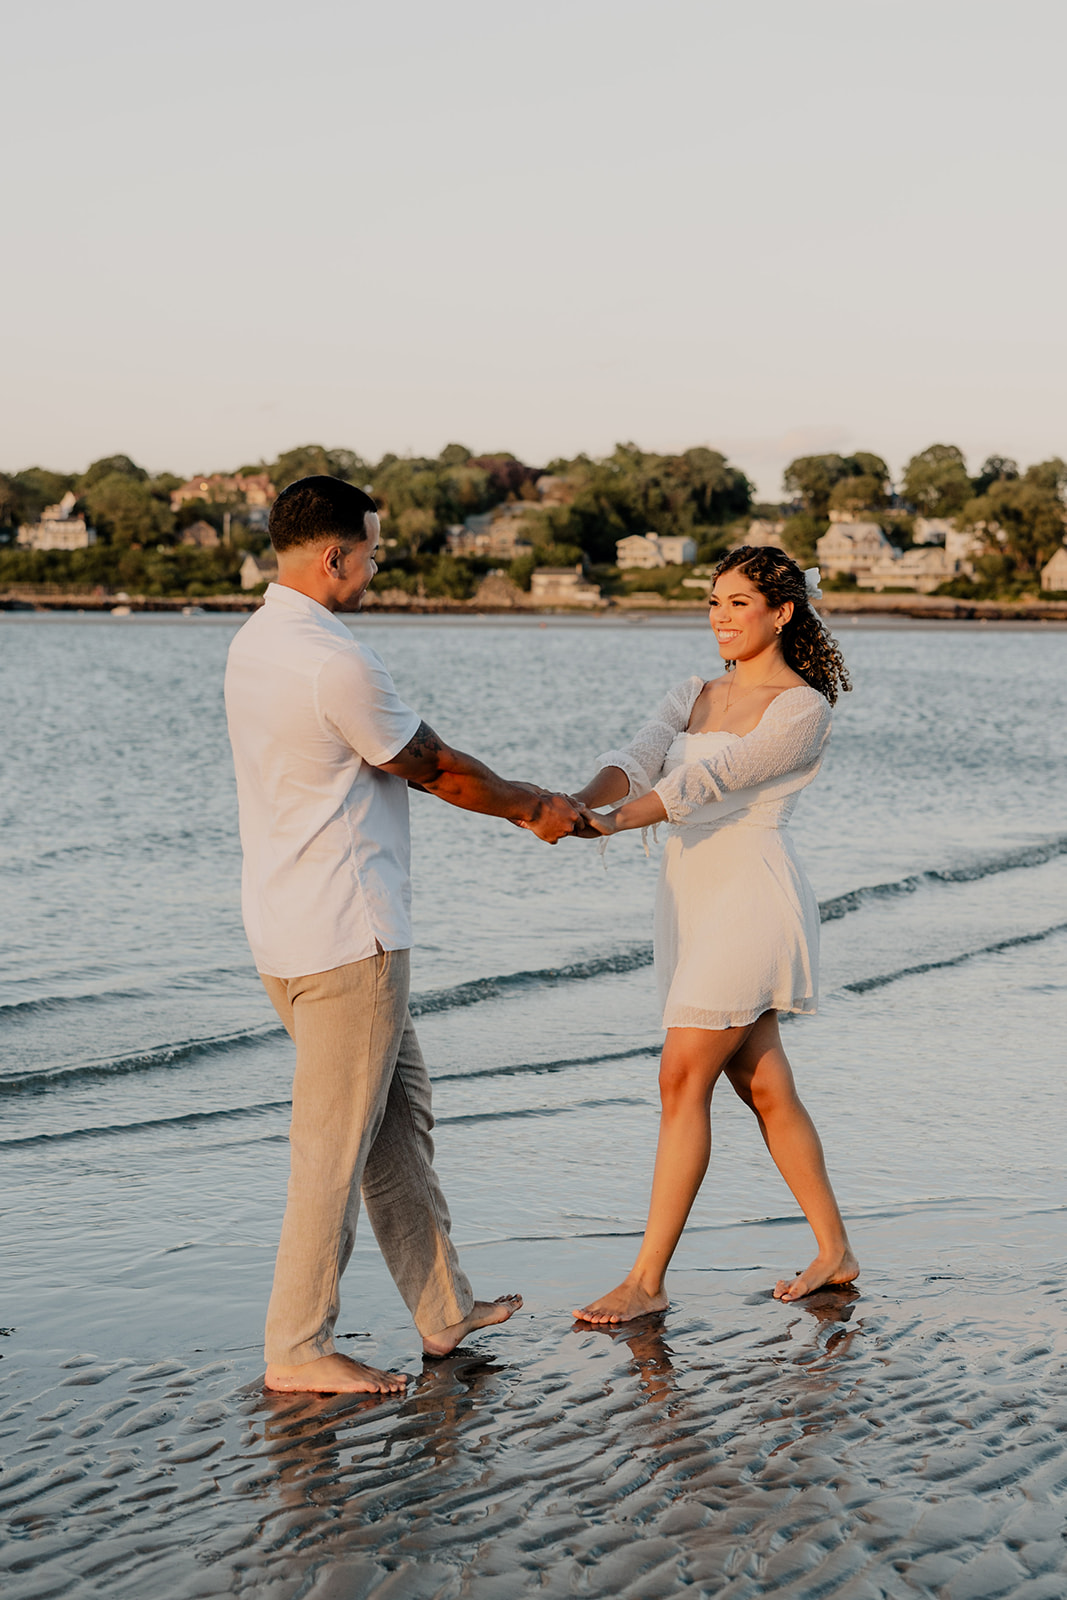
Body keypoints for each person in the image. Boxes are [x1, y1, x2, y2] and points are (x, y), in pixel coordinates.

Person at [225, 475, 584, 1394]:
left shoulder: (255, 643)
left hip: (286, 929)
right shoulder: (329, 658)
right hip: (350, 939)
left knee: (395, 1122)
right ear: (334, 555)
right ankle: (297, 1347)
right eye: (372, 550)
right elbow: (433, 768)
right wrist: (532, 807)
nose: (378, 564)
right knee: (333, 1149)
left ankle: (443, 1311)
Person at [570, 545, 859, 1324]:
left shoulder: (802, 709)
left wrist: (604, 826)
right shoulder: (690, 691)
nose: (721, 618)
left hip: (750, 901)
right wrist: (568, 802)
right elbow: (634, 762)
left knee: (680, 1076)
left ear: (782, 612)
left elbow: (701, 785)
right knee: (761, 1084)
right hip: (690, 901)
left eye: (738, 603)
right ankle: (834, 1249)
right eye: (712, 602)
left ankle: (646, 1280)